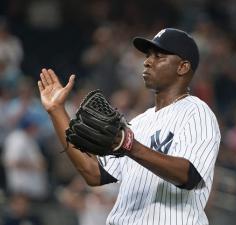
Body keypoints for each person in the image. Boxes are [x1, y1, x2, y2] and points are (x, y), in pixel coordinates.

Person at [38, 28, 221, 225]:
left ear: (183, 67)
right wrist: (57, 111)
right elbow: (93, 173)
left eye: (159, 56)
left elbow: (189, 175)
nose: (147, 61)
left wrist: (129, 145)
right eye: (148, 55)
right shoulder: (138, 122)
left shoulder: (197, 112)